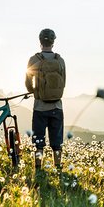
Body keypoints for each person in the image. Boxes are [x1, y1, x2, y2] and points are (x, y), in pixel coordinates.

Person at [25, 28, 66, 174]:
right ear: (53, 42)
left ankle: (38, 169)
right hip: (57, 106)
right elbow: (64, 83)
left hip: (40, 107)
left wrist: (36, 91)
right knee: (57, 142)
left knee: (39, 142)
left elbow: (28, 85)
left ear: (40, 41)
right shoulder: (60, 61)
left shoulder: (34, 60)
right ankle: (58, 168)